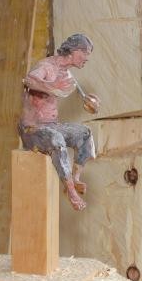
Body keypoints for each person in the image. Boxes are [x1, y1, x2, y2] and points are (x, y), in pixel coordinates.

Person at [18, 33, 97, 211]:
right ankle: (70, 192)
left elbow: (85, 100)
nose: (87, 58)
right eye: (85, 52)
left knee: (85, 133)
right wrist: (52, 87)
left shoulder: (67, 73)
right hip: (32, 129)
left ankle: (75, 179)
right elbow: (29, 80)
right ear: (73, 50)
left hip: (51, 126)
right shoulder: (47, 66)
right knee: (56, 140)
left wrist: (91, 102)